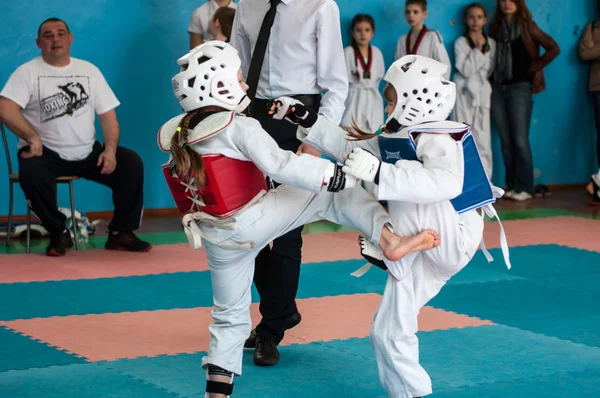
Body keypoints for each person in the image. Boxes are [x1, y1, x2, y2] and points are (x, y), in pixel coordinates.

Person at [159, 41, 440, 398]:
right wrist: (333, 175)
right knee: (334, 193)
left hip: (216, 235)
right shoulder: (238, 126)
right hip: (252, 220)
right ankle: (389, 240)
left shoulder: (182, 132)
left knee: (229, 314)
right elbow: (283, 165)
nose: (245, 86)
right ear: (217, 85)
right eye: (240, 78)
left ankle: (216, 392)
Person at [273, 54, 511, 398]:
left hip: (452, 236)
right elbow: (348, 148)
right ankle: (411, 392)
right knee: (386, 332)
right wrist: (306, 118)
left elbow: (446, 185)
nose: (387, 110)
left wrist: (380, 172)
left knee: (399, 177)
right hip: (422, 247)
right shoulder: (397, 136)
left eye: (391, 101)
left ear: (416, 98)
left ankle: (390, 241)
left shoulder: (438, 137)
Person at [230, 0, 349, 366]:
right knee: (240, 227)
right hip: (252, 115)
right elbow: (234, 67)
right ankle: (281, 310)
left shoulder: (321, 6)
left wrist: (315, 138)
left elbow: (336, 85)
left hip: (298, 117)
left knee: (286, 230)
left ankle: (270, 331)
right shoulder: (246, 4)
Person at [0, 18, 151, 256]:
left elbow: (108, 117)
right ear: (39, 42)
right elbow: (5, 108)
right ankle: (58, 232)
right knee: (32, 171)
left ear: (70, 39)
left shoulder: (89, 71)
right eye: (48, 35)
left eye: (61, 33)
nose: (55, 39)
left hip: (88, 152)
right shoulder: (26, 72)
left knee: (131, 163)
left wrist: (110, 150)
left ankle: (121, 233)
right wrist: (32, 138)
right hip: (45, 153)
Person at [489, 0, 560, 201]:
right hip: (497, 86)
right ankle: (512, 186)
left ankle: (525, 187)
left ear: (519, 3)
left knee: (519, 139)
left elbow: (553, 48)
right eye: (503, 0)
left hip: (520, 87)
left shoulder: (527, 25)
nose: (506, 3)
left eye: (511, 0)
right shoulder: (495, 27)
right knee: (506, 141)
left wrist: (535, 66)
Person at [452, 2, 496, 178]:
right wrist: (477, 51)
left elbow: (489, 70)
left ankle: (485, 182)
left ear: (485, 20)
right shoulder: (460, 43)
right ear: (465, 19)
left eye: (479, 17)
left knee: (483, 139)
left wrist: (477, 59)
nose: (475, 21)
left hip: (482, 93)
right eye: (471, 17)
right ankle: (462, 181)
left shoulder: (492, 43)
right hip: (463, 93)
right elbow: (465, 69)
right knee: (462, 137)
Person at [340, 14, 385, 133]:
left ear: (373, 32)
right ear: (353, 32)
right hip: (353, 100)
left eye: (367, 30)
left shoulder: (377, 53)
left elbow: (380, 77)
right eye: (358, 30)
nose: (363, 34)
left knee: (373, 138)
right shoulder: (347, 53)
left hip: (372, 100)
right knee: (350, 139)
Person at [578, 0, 600, 204]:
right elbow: (585, 52)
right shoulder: (592, 26)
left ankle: (597, 182)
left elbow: (592, 51)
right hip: (597, 86)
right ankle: (598, 182)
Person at [395, 0, 451, 79]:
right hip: (407, 86)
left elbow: (444, 65)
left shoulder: (433, 36)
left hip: (428, 87)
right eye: (408, 12)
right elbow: (398, 68)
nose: (411, 15)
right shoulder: (402, 40)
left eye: (415, 12)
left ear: (424, 14)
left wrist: (438, 88)